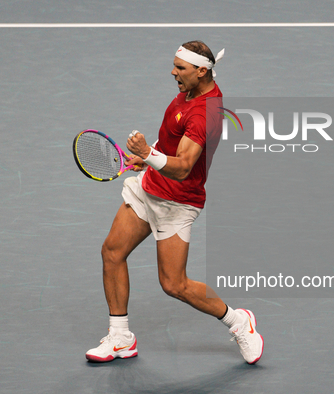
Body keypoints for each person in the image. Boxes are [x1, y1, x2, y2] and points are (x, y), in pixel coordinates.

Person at [85, 41, 264, 365]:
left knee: (174, 284)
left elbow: (182, 167)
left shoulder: (206, 114)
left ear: (201, 70)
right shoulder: (188, 94)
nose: (173, 72)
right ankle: (121, 337)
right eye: (174, 65)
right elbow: (170, 138)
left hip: (177, 202)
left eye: (180, 68)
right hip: (148, 188)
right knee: (112, 252)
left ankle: (239, 323)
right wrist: (147, 156)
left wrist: (149, 154)